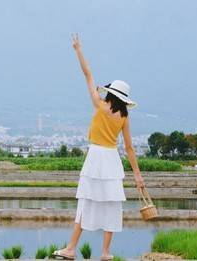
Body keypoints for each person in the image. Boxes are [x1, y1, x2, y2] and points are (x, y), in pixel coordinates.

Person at [53, 34, 146, 260]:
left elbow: (88, 74)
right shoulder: (124, 117)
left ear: (110, 94)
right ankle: (105, 252)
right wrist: (138, 176)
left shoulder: (101, 106)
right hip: (112, 160)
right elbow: (130, 149)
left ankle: (71, 249)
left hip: (96, 158)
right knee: (112, 206)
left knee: (86, 204)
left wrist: (78, 50)